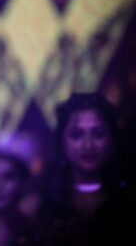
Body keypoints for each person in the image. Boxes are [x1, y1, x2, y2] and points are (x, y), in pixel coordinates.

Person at [35, 92, 134, 245]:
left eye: (98, 134)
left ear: (112, 139)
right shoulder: (40, 202)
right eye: (76, 135)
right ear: (62, 141)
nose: (88, 145)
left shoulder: (129, 197)